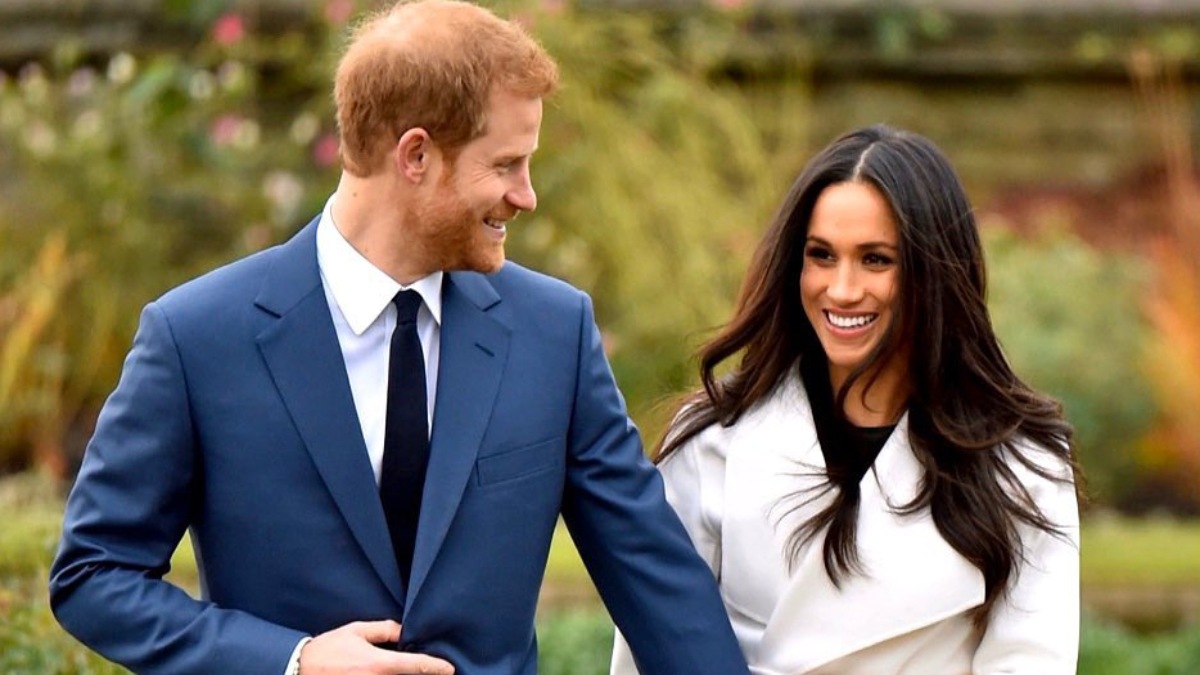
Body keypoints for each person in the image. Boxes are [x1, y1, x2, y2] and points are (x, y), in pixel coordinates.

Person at [49, 2, 751, 674]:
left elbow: (658, 583)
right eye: (505, 164)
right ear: (415, 155)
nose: (527, 194)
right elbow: (94, 573)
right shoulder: (195, 337)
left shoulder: (554, 333)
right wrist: (288, 660)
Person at [611, 124, 1082, 674]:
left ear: (934, 273)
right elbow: (652, 653)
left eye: (876, 259)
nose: (841, 289)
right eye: (822, 255)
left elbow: (1028, 661)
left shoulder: (1021, 464)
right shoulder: (715, 438)